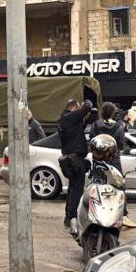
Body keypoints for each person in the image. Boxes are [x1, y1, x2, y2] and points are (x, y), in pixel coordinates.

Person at [90, 103, 135, 227]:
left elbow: (92, 140)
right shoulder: (119, 126)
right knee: (119, 186)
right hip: (114, 160)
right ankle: (123, 214)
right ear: (113, 113)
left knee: (97, 185)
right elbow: (121, 145)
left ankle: (96, 212)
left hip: (98, 160)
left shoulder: (95, 125)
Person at [59, 98, 97, 230]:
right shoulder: (69, 117)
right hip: (75, 160)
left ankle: (68, 216)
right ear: (74, 108)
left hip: (72, 159)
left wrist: (86, 118)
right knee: (76, 190)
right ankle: (72, 217)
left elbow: (79, 126)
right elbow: (86, 107)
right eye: (78, 108)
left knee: (72, 189)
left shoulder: (66, 120)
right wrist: (87, 103)